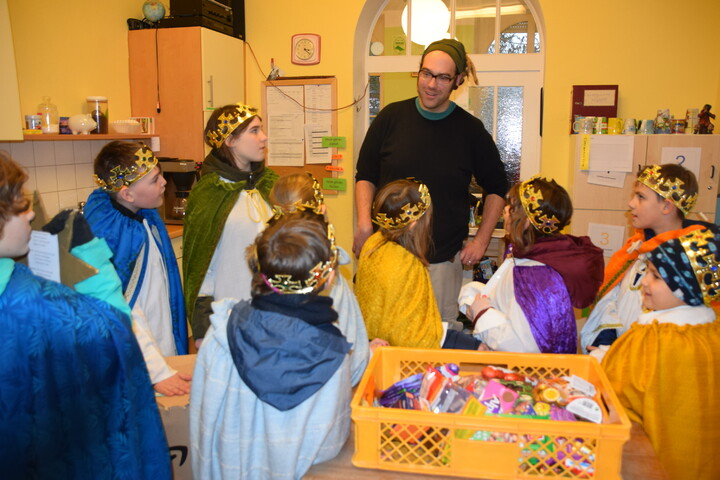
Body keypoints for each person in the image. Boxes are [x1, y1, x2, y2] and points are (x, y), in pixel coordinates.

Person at [0, 151, 171, 479]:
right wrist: (93, 261)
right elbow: (114, 333)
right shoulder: (29, 304)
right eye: (18, 204)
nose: (31, 211)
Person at [354, 38, 508, 329]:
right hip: (387, 255)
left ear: (458, 80)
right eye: (426, 73)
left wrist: (482, 240)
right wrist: (364, 224)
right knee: (380, 331)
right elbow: (365, 175)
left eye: (442, 77)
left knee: (436, 334)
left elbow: (497, 188)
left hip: (440, 261)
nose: (431, 84)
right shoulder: (390, 118)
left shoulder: (469, 130)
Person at [190, 214, 355, 479]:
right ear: (329, 277)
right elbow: (328, 446)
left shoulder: (220, 333)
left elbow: (203, 425)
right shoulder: (332, 356)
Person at [601, 226, 720, 480]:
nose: (644, 281)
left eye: (655, 276)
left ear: (684, 287)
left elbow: (615, 394)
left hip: (650, 466)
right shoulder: (712, 331)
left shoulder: (651, 339)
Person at [84, 140, 191, 396]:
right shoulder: (106, 234)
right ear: (127, 194)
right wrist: (155, 370)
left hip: (160, 341)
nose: (164, 182)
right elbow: (122, 308)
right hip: (136, 356)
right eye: (155, 179)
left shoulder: (145, 215)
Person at [462, 176, 604, 353]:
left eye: (512, 208)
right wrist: (473, 298)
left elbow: (522, 345)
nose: (505, 210)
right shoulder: (525, 256)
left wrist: (482, 314)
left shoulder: (535, 276)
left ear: (526, 223)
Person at [579, 164, 709, 352]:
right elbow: (612, 300)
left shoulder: (690, 262)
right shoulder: (636, 249)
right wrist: (606, 344)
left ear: (666, 206)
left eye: (641, 197)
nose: (631, 203)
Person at [269, 173, 386, 378]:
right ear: (322, 210)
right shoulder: (325, 276)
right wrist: (367, 354)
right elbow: (339, 353)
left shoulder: (269, 263)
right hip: (335, 388)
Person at [183, 103, 277, 348]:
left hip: (277, 314)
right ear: (230, 140)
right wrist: (202, 327)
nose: (264, 137)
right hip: (230, 316)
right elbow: (201, 267)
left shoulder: (270, 185)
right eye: (254, 131)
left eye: (261, 129)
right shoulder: (209, 192)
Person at [355, 178, 485, 350]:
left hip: (372, 344)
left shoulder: (373, 245)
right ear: (413, 225)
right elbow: (416, 338)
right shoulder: (406, 264)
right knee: (479, 348)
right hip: (403, 354)